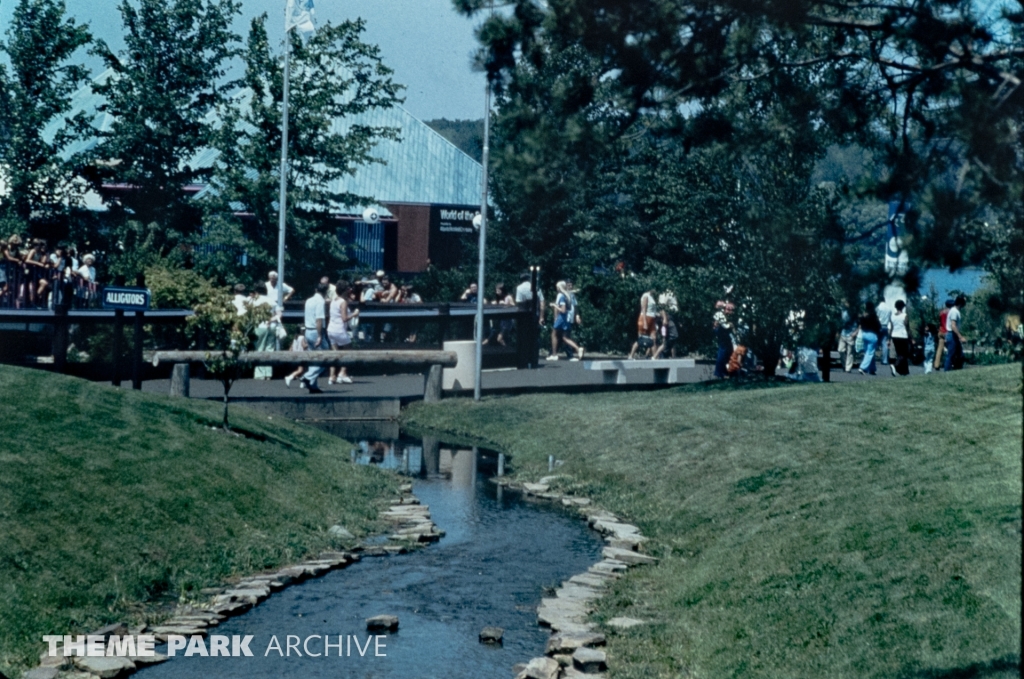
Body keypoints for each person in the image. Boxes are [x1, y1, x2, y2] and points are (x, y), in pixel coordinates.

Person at [327, 280, 359, 385]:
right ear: (345, 290)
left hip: (331, 329)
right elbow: (344, 318)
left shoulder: (333, 300)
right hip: (339, 330)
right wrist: (354, 314)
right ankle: (342, 373)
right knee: (348, 351)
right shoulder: (343, 302)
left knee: (335, 354)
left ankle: (332, 377)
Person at [301, 282, 330, 393]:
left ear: (315, 289)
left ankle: (313, 386)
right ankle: (308, 376)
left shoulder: (308, 300)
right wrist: (319, 335)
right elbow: (319, 319)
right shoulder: (320, 301)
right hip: (315, 331)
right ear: (325, 292)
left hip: (308, 330)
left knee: (313, 359)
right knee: (326, 357)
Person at [548, 280, 583, 360]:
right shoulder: (567, 295)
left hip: (562, 317)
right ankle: (577, 349)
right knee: (564, 337)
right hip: (566, 317)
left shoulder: (561, 295)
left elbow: (563, 310)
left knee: (554, 334)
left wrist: (554, 305)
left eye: (557, 287)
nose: (556, 288)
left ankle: (554, 354)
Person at [627, 289, 658, 359]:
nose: (656, 291)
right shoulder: (645, 296)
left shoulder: (652, 297)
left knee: (654, 338)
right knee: (641, 339)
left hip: (652, 319)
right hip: (645, 318)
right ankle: (631, 355)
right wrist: (645, 322)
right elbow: (643, 309)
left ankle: (655, 357)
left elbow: (652, 310)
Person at [857, 301, 882, 375]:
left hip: (864, 334)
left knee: (868, 351)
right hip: (872, 335)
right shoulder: (874, 316)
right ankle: (862, 367)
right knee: (870, 352)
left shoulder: (863, 316)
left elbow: (860, 323)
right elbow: (878, 326)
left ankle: (872, 369)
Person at [889, 299, 911, 376]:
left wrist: (889, 338)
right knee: (904, 354)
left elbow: (891, 328)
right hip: (903, 336)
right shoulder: (904, 316)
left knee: (899, 353)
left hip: (894, 335)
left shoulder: (892, 316)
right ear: (902, 307)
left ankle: (903, 371)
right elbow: (907, 327)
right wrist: (911, 337)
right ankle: (895, 365)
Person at [944, 295, 967, 371]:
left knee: (960, 356)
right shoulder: (954, 311)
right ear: (960, 303)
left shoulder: (956, 311)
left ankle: (957, 371)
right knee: (951, 355)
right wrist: (960, 337)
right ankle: (946, 372)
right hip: (952, 335)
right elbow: (953, 326)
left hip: (954, 336)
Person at [712, 301, 735, 378]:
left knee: (728, 351)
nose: (730, 312)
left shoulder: (723, 315)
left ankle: (726, 372)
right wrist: (730, 325)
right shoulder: (720, 315)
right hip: (722, 332)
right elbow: (725, 326)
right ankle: (719, 372)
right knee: (723, 350)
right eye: (728, 310)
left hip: (725, 333)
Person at [837, 302, 859, 372]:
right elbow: (840, 322)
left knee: (850, 352)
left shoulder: (854, 313)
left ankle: (848, 368)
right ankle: (844, 364)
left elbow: (859, 324)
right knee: (840, 350)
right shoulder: (843, 312)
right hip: (843, 333)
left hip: (851, 334)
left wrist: (855, 332)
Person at [934, 299, 954, 370]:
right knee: (951, 349)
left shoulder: (941, 312)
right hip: (947, 332)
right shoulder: (951, 313)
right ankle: (950, 364)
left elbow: (940, 322)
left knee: (940, 349)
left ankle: (937, 364)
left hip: (941, 331)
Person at [875, 297, 892, 365]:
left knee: (875, 342)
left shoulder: (878, 307)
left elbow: (876, 317)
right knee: (884, 343)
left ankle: (872, 359)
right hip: (886, 326)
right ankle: (885, 360)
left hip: (879, 326)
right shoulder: (889, 308)